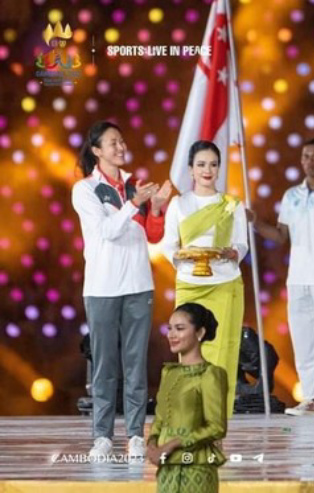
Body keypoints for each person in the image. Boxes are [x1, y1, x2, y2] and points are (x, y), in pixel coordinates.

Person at [72, 120, 172, 459]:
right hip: (102, 286)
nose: (120, 147)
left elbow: (153, 235)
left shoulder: (134, 185)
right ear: (97, 150)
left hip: (138, 284)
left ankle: (135, 434)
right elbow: (107, 232)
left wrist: (155, 207)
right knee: (105, 365)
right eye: (113, 142)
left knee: (135, 364)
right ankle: (102, 436)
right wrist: (134, 203)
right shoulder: (85, 189)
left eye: (122, 141)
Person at [247, 138, 314, 416]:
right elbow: (281, 236)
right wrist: (255, 221)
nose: (309, 161)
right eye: (305, 156)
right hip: (297, 279)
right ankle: (309, 397)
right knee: (303, 341)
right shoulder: (291, 196)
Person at [161, 140, 248, 419]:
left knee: (221, 350)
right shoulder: (179, 204)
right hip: (190, 284)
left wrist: (232, 253)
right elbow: (168, 244)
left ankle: (215, 419)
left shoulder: (232, 205)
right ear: (191, 169)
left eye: (213, 164)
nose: (207, 170)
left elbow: (242, 245)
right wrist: (182, 256)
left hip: (225, 283)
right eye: (201, 164)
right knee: (189, 349)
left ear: (219, 168)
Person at [147, 303, 227, 493]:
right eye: (170, 328)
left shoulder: (210, 374)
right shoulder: (169, 373)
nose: (171, 335)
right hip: (167, 469)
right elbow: (160, 418)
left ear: (200, 333)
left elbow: (216, 427)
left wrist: (173, 444)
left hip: (196, 468)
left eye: (180, 328)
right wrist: (152, 444)